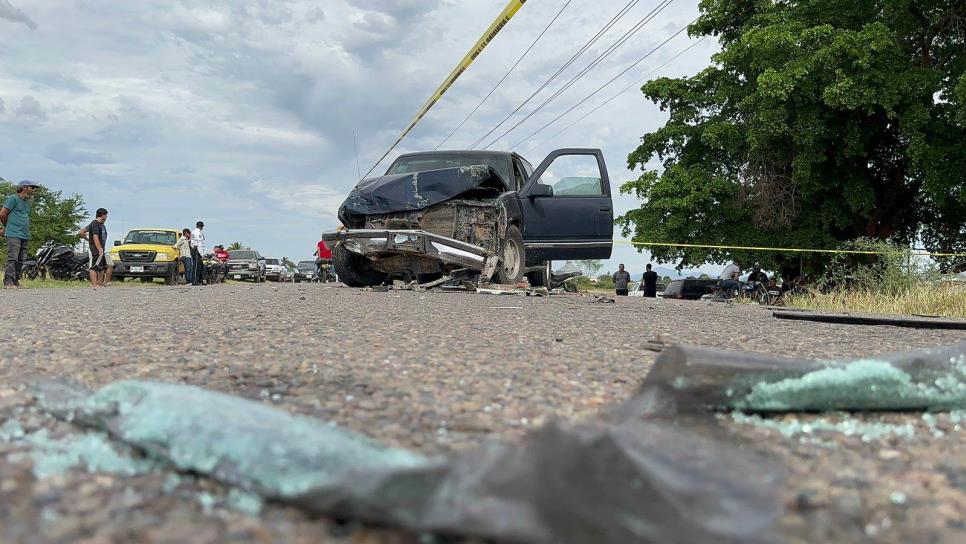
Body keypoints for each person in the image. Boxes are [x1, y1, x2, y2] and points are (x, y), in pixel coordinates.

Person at [0, 180, 39, 288]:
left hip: (24, 234)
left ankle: (16, 281)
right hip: (13, 233)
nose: (34, 190)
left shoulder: (26, 202)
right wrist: (7, 227)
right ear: (24, 187)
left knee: (21, 259)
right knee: (13, 257)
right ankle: (8, 281)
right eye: (32, 187)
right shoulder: (13, 199)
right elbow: (2, 213)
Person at [85, 208, 109, 288]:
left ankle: (100, 283)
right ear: (102, 215)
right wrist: (99, 249)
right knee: (93, 266)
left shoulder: (100, 225)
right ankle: (94, 284)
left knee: (100, 267)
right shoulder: (95, 223)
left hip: (100, 248)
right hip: (94, 248)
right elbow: (95, 237)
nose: (106, 217)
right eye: (106, 215)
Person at [190, 221, 205, 285]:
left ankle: (200, 280)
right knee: (196, 266)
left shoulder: (193, 231)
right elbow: (200, 243)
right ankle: (195, 281)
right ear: (201, 226)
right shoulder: (198, 232)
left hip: (195, 249)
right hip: (197, 250)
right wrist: (202, 254)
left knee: (200, 265)